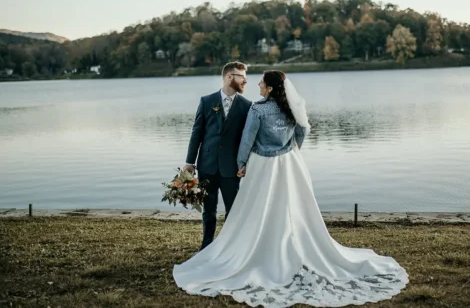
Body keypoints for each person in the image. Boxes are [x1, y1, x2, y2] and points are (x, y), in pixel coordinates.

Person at [174, 70, 409, 307]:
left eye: (262, 82)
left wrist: (241, 163)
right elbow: (303, 129)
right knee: (292, 206)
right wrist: (293, 148)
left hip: (263, 165)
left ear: (269, 88)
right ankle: (294, 245)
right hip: (289, 163)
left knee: (261, 207)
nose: (257, 83)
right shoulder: (291, 107)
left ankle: (259, 247)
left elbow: (247, 139)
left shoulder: (257, 109)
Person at [183, 61, 252, 251]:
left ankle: (231, 247)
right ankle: (206, 247)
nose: (245, 81)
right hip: (208, 165)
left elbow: (247, 139)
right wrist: (190, 162)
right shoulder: (206, 101)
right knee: (208, 210)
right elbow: (196, 133)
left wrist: (246, 163)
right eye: (242, 77)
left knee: (233, 210)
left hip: (232, 168)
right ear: (230, 77)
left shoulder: (247, 106)